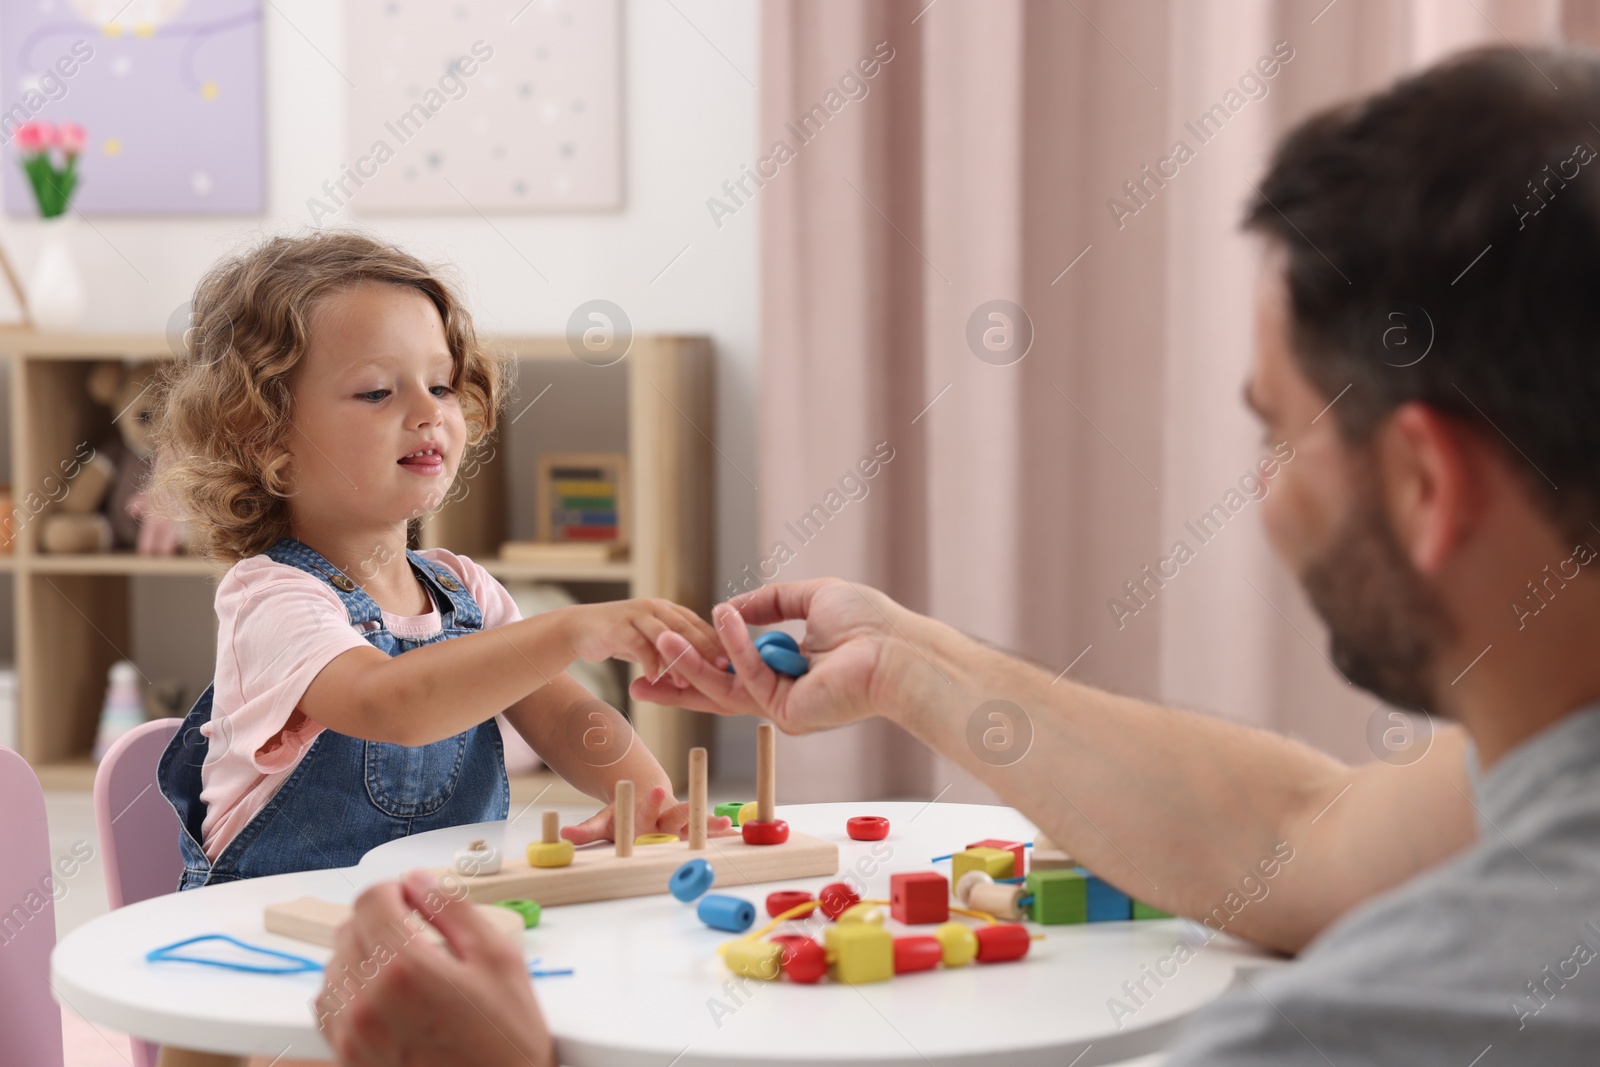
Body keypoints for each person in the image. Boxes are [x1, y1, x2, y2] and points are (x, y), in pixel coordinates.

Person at [318, 44, 1600, 1065]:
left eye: (1278, 438)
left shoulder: (1393, 1021)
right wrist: (904, 662)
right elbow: (1301, 827)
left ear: (1426, 481)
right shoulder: (1541, 771)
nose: (1263, 498)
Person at [151, 231, 729, 888]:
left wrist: (646, 799)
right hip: (270, 937)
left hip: (435, 927)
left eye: (442, 385)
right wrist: (569, 629)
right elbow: (392, 702)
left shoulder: (464, 591)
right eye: (376, 391)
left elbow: (569, 720)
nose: (428, 411)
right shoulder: (271, 598)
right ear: (267, 435)